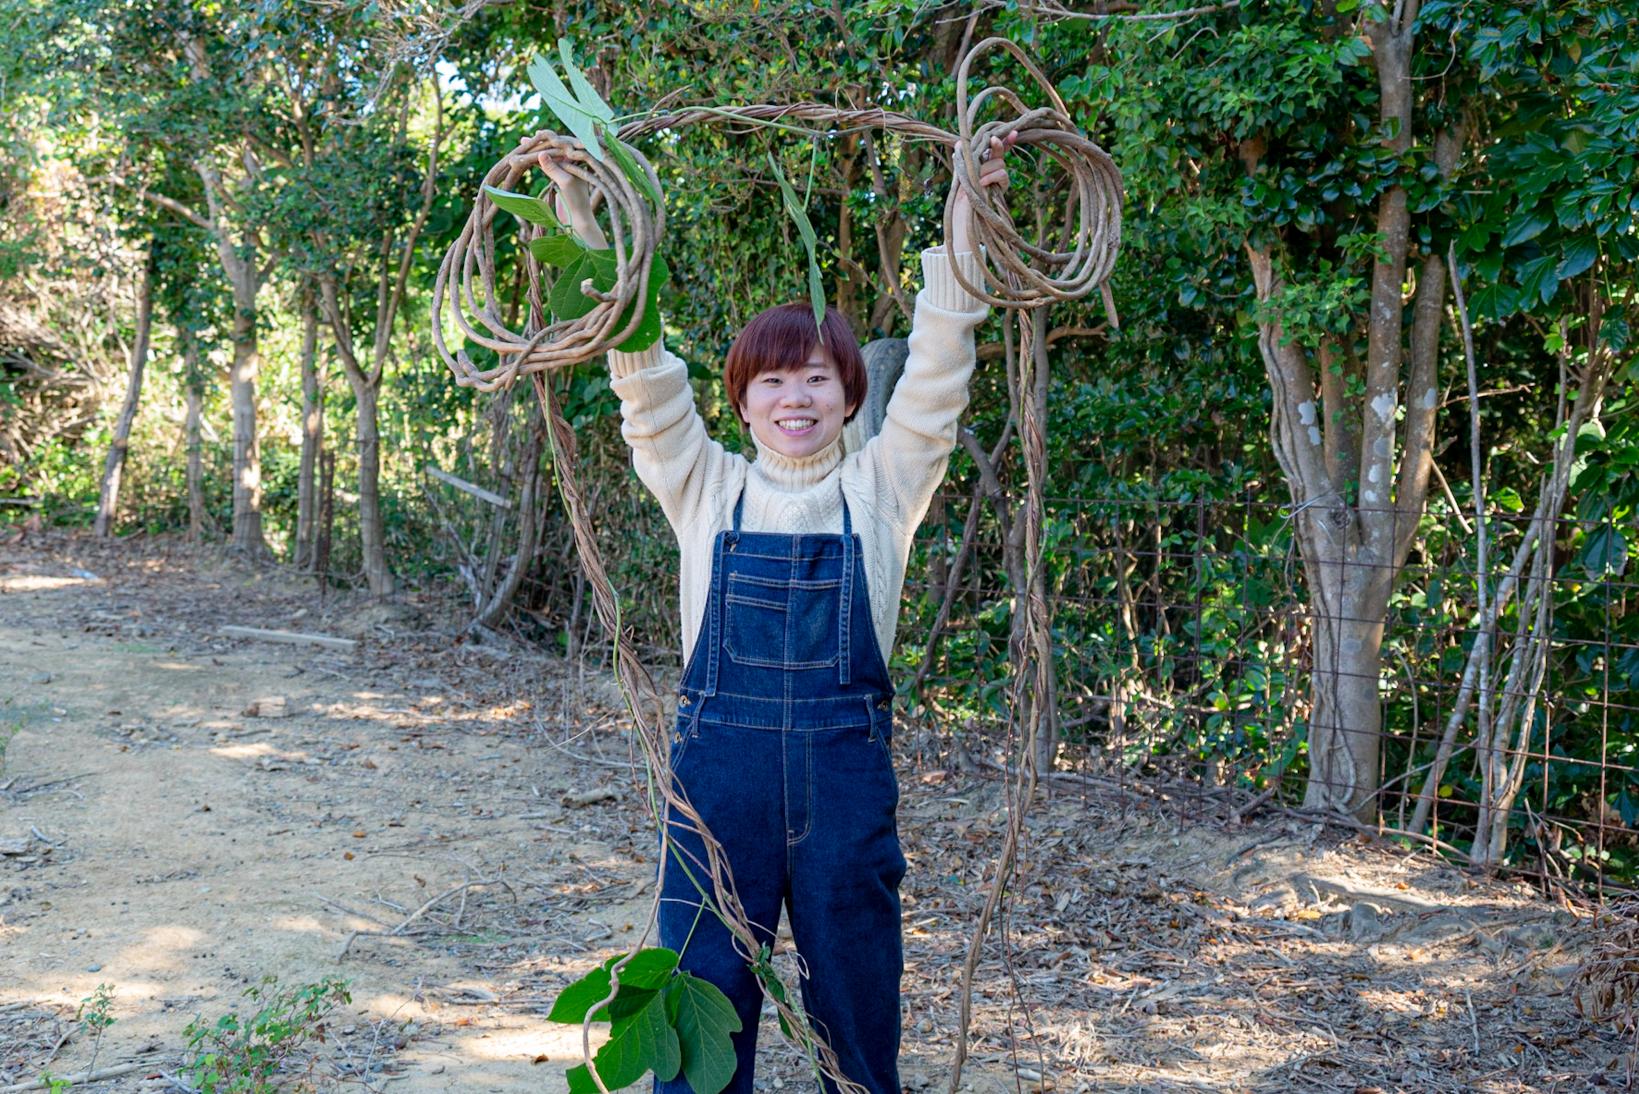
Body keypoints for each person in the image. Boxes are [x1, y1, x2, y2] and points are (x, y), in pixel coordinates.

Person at [547, 131, 1014, 1093]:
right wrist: (588, 231)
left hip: (844, 779)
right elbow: (642, 375)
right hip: (721, 776)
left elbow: (935, 369)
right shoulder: (704, 485)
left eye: (815, 378)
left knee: (856, 985)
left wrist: (968, 216)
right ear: (742, 400)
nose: (794, 397)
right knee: (701, 987)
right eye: (771, 380)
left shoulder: (885, 485)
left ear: (849, 397)